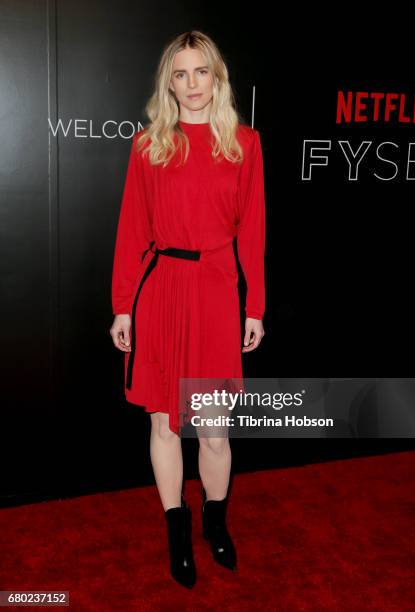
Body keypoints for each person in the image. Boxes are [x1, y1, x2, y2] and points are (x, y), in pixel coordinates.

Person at [109, 30, 266, 589]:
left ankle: (214, 523)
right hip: (161, 291)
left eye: (202, 72)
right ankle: (176, 529)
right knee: (164, 424)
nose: (191, 84)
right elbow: (131, 230)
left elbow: (253, 234)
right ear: (167, 82)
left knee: (215, 429)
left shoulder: (244, 144)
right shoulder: (148, 143)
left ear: (217, 77)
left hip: (218, 291)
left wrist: (255, 308)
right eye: (180, 73)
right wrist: (122, 306)